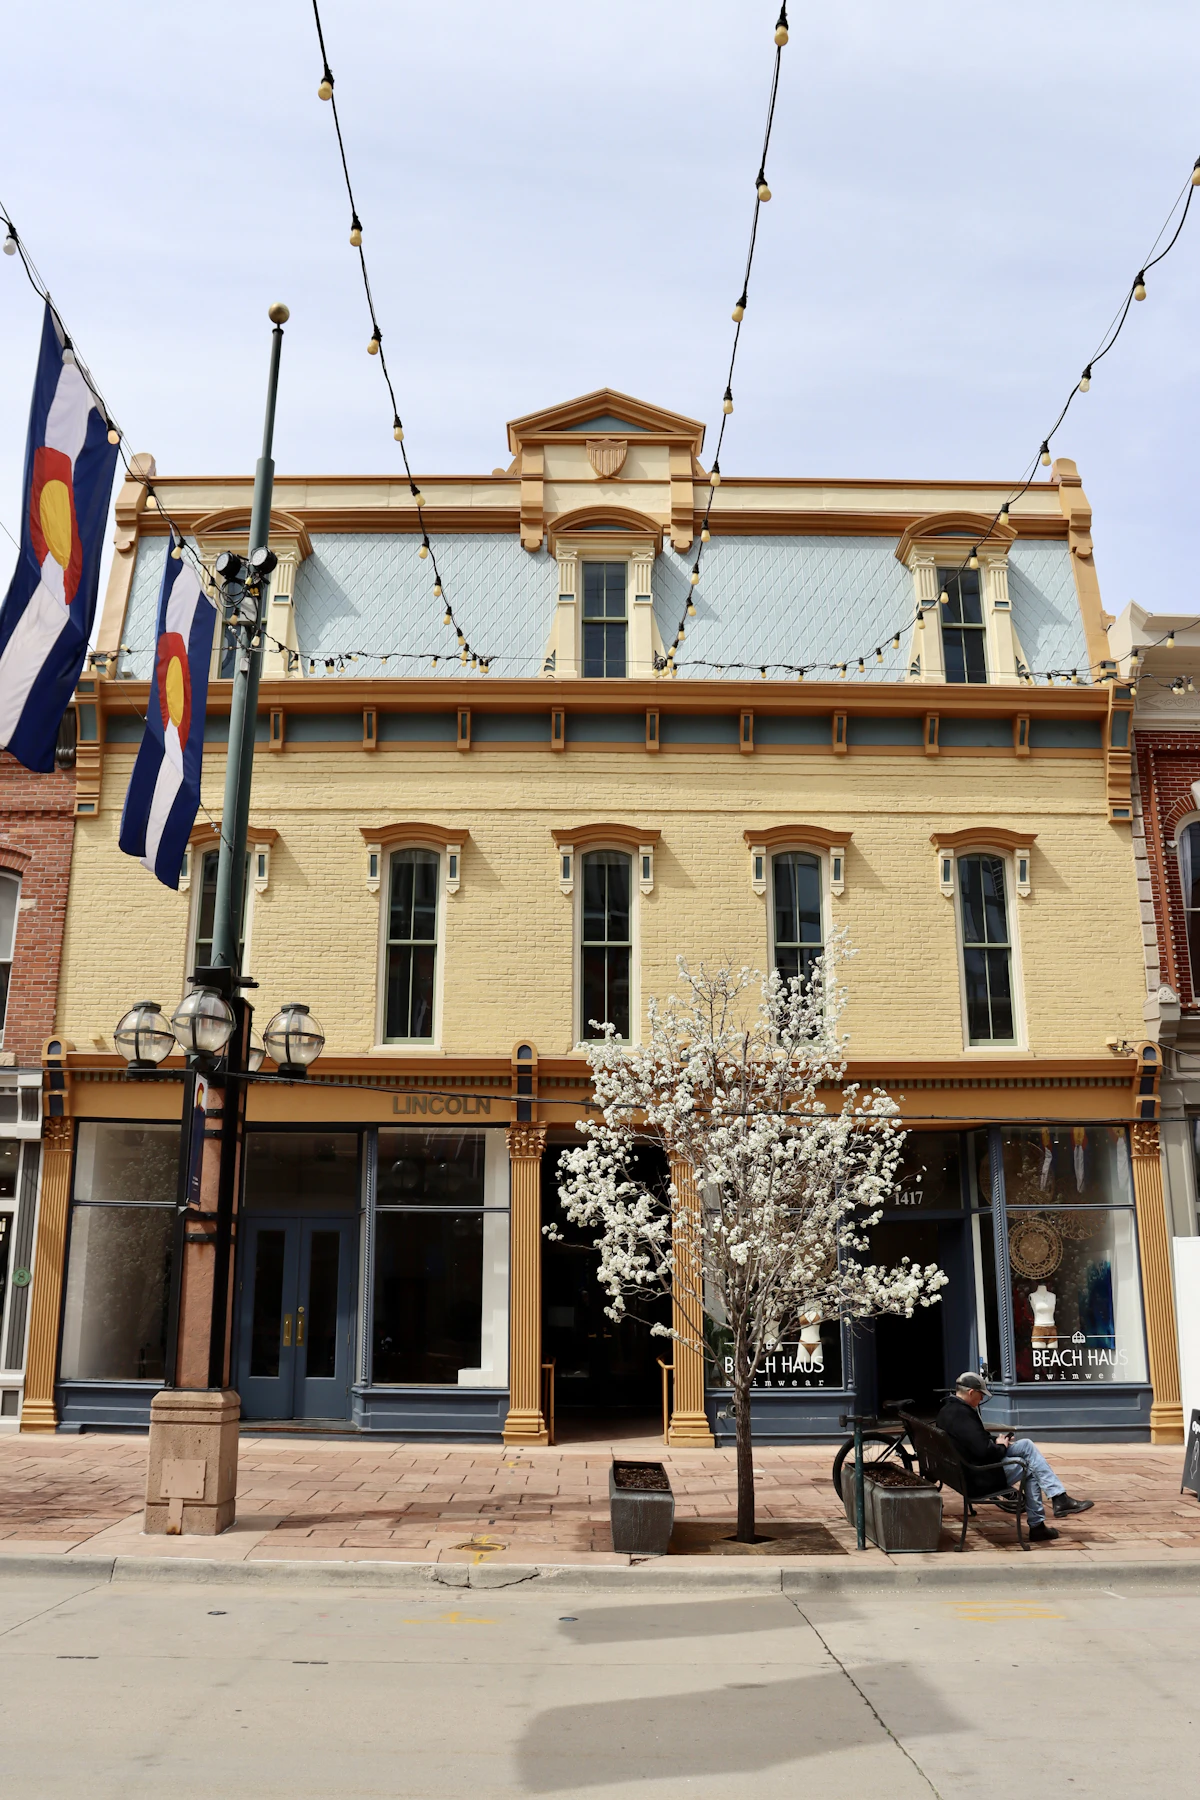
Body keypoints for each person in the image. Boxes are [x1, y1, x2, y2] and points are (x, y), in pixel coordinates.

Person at [935, 1371, 1094, 1543]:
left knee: (1026, 1445)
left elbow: (972, 1441)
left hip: (963, 1471)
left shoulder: (949, 1410)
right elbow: (985, 1452)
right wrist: (1001, 1446)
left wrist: (996, 1440)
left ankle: (1059, 1498)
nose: (981, 1400)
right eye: (980, 1395)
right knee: (1031, 1467)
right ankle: (1039, 1524)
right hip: (977, 1477)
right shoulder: (962, 1414)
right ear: (971, 1392)